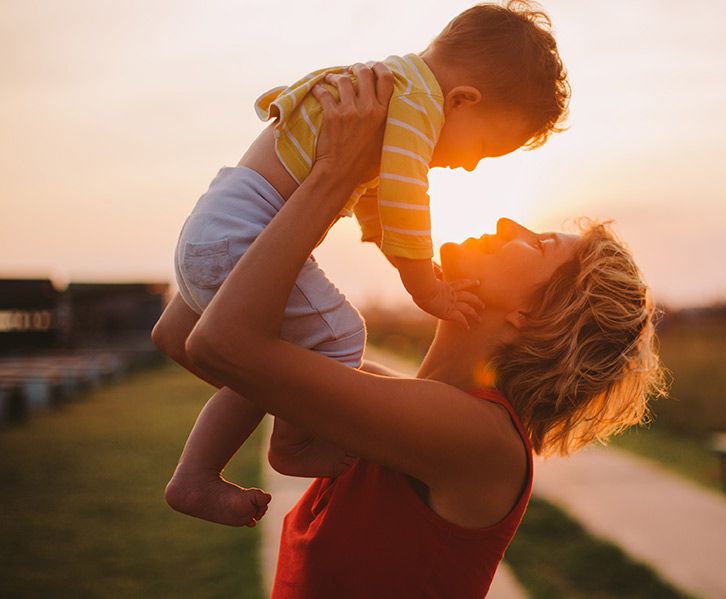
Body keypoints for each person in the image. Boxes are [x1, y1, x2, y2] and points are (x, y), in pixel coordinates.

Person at [153, 63, 665, 596]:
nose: (508, 224)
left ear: (535, 315)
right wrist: (281, 176)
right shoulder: (384, 400)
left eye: (536, 244)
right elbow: (182, 334)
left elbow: (220, 344)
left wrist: (336, 173)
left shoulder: (479, 440)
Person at [159, 0, 571, 527]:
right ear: (463, 100)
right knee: (340, 337)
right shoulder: (418, 107)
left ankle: (197, 472)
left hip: (214, 225)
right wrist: (424, 284)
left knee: (276, 361)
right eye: (485, 149)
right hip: (244, 234)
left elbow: (374, 198)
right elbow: (403, 195)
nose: (470, 165)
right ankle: (290, 444)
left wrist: (389, 249)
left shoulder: (391, 87)